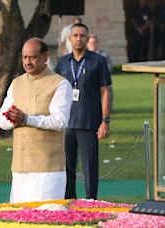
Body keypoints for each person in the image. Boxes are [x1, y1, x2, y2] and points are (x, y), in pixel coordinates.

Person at [0, 38, 73, 203]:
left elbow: (60, 121)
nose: (27, 62)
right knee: (19, 217)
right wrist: (14, 119)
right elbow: (1, 121)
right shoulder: (16, 83)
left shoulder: (59, 84)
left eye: (32, 57)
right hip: (20, 165)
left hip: (47, 167)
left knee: (45, 217)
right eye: (24, 57)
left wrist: (26, 119)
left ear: (45, 57)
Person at [55, 23, 111, 200]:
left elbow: (105, 92)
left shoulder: (98, 61)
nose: (79, 38)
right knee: (67, 167)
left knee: (90, 167)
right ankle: (69, 200)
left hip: (89, 123)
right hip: (66, 123)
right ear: (70, 39)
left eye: (82, 35)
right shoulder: (63, 62)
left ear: (87, 38)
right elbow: (56, 92)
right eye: (75, 35)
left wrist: (105, 121)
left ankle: (91, 201)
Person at [87, 34, 114, 113]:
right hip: (89, 82)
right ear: (87, 44)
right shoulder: (84, 56)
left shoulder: (104, 55)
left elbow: (109, 68)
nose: (93, 44)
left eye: (95, 42)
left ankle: (107, 110)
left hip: (101, 80)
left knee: (108, 88)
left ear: (98, 43)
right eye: (91, 43)